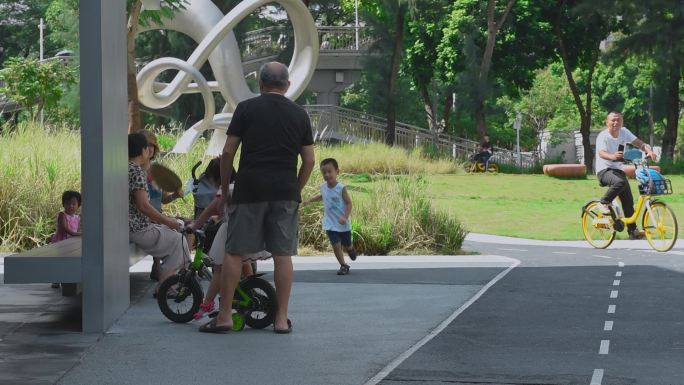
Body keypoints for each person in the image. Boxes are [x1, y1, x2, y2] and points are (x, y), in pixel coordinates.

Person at [199, 61, 316, 334]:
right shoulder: (300, 114)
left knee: (235, 252)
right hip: (284, 192)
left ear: (261, 85)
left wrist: (227, 187)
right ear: (286, 86)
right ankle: (280, 319)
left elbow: (227, 152)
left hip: (249, 190)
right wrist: (295, 190)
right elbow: (309, 161)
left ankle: (225, 316)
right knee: (282, 255)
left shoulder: (246, 109)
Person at [128, 133, 190, 295]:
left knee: (178, 236)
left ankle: (167, 281)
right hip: (138, 228)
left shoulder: (126, 168)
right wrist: (169, 222)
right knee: (179, 241)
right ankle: (165, 285)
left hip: (129, 226)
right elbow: (143, 206)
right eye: (147, 147)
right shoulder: (137, 172)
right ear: (143, 151)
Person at [595, 111, 657, 240]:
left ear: (622, 122)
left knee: (628, 201)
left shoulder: (624, 132)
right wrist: (612, 156)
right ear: (607, 122)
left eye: (618, 120)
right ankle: (603, 202)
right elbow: (601, 153)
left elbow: (639, 143)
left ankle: (633, 231)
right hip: (604, 170)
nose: (616, 122)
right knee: (621, 183)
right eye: (613, 120)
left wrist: (649, 150)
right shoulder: (603, 136)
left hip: (618, 170)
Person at [138, 130, 183, 281]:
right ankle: (165, 275)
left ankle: (178, 270)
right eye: (146, 144)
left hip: (157, 216)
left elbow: (164, 199)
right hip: (143, 218)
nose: (150, 148)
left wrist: (176, 195)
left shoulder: (157, 170)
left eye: (152, 144)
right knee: (177, 230)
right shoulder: (135, 170)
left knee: (187, 226)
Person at [303, 158, 357, 275]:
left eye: (329, 171)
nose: (327, 175)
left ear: (337, 171)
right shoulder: (323, 187)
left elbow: (349, 203)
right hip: (330, 223)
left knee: (347, 243)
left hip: (343, 223)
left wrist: (345, 216)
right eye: (324, 173)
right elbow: (321, 196)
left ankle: (350, 248)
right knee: (336, 245)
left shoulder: (341, 188)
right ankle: (343, 265)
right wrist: (310, 200)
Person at [50, 190, 82, 289]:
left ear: (78, 205)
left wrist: (79, 235)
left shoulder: (77, 217)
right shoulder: (62, 215)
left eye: (74, 204)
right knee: (60, 262)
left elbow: (78, 229)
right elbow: (66, 228)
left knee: (70, 262)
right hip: (61, 242)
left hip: (71, 244)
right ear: (63, 204)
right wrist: (79, 234)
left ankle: (66, 279)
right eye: (68, 204)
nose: (71, 206)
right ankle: (56, 279)